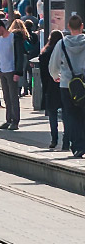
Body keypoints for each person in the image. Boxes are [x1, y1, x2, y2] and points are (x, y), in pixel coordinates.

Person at [50, 15, 85, 157]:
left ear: (69, 27)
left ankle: (77, 145)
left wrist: (55, 76)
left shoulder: (61, 44)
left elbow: (53, 65)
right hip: (84, 85)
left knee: (71, 115)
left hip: (67, 85)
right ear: (82, 26)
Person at [0, 18, 22, 130]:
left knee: (13, 96)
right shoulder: (0, 39)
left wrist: (18, 71)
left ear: (1, 28)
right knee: (6, 96)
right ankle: (8, 119)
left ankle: (15, 121)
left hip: (11, 70)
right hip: (2, 70)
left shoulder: (13, 37)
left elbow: (19, 55)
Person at [39, 29, 64, 150]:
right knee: (67, 113)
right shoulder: (64, 51)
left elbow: (43, 73)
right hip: (63, 84)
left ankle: (54, 139)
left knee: (52, 114)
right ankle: (67, 139)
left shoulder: (45, 52)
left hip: (50, 85)